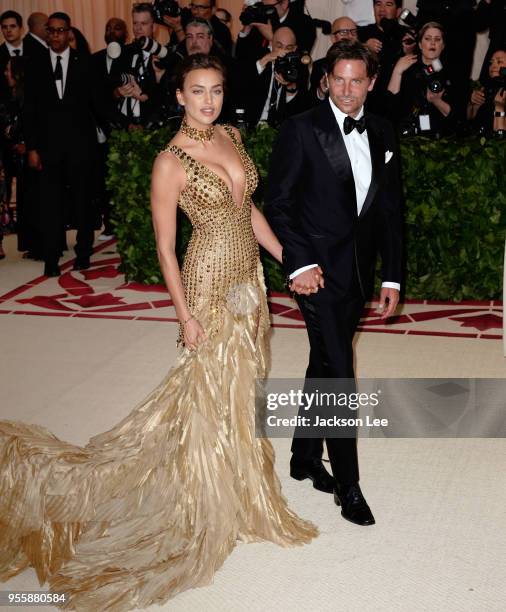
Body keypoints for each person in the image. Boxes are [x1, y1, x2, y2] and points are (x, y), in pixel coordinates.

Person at [0, 53, 317, 609]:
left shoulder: (231, 135)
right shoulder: (170, 161)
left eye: (216, 90)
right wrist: (185, 315)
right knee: (207, 390)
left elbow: (249, 212)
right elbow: (167, 249)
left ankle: (235, 484)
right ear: (179, 96)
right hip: (208, 281)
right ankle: (205, 493)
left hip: (249, 275)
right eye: (197, 91)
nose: (208, 101)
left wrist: (290, 258)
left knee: (241, 385)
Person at [265, 40, 402, 526]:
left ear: (372, 82)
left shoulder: (383, 130)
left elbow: (390, 212)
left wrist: (391, 274)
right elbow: (277, 203)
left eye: (356, 80)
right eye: (338, 80)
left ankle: (304, 458)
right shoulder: (301, 130)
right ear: (327, 79)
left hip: (360, 274)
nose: (346, 90)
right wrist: (298, 263)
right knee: (341, 371)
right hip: (316, 275)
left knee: (324, 359)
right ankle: (348, 484)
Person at [23, 12, 100, 276]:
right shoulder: (35, 64)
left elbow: (96, 104)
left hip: (81, 146)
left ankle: (83, 252)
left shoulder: (84, 63)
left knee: (82, 201)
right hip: (48, 148)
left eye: (61, 30)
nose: (56, 35)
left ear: (69, 33)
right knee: (51, 205)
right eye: (51, 31)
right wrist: (32, 147)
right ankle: (51, 257)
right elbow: (29, 109)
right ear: (47, 32)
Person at [385, 22, 457, 136]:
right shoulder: (407, 66)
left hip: (437, 138)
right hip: (406, 134)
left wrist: (436, 101)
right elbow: (390, 106)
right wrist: (397, 72)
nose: (432, 43)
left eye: (437, 39)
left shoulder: (450, 73)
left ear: (443, 46)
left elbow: (456, 118)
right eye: (428, 38)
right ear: (419, 44)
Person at [238, 26, 310, 127]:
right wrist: (264, 60)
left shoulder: (300, 69)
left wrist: (290, 87)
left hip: (280, 129)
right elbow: (242, 85)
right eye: (279, 46)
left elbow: (300, 109)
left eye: (288, 48)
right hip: (251, 124)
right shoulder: (258, 57)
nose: (283, 52)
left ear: (294, 49)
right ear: (271, 44)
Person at [310, 16, 359, 104]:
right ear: (333, 38)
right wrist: (321, 91)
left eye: (353, 32)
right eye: (344, 32)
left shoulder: (365, 64)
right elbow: (311, 102)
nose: (350, 36)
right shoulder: (319, 66)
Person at [467, 48, 506, 134]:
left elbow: (500, 136)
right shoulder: (487, 88)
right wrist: (472, 103)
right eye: (491, 63)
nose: (493, 66)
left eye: (499, 62)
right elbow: (470, 118)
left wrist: (499, 108)